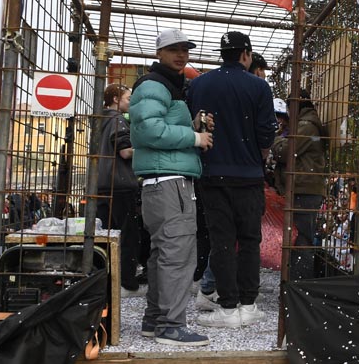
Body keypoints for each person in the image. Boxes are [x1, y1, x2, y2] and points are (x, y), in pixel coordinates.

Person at [130, 29, 213, 346]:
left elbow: (154, 125)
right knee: (177, 256)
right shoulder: (155, 84)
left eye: (185, 49)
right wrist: (194, 138)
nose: (181, 54)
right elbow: (148, 130)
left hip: (161, 183)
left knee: (162, 254)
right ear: (160, 52)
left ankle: (155, 321)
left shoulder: (164, 85)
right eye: (173, 49)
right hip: (169, 184)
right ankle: (171, 326)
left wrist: (192, 127)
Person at [187, 31, 276, 328]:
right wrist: (258, 153)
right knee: (250, 240)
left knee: (222, 240)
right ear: (246, 55)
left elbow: (194, 124)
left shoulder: (199, 85)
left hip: (212, 173)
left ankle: (226, 307)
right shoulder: (259, 87)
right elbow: (266, 134)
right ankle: (248, 304)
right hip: (249, 175)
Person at [96, 83, 142, 297]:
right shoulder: (118, 120)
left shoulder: (100, 120)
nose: (130, 103)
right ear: (116, 99)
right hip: (121, 184)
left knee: (107, 235)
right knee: (128, 236)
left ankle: (105, 281)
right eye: (128, 99)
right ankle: (127, 283)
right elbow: (125, 152)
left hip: (102, 184)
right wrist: (146, 148)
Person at [275, 91, 328, 280]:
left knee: (302, 240)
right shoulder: (305, 124)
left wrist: (277, 139)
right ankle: (295, 282)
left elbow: (285, 151)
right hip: (304, 187)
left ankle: (299, 285)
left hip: (305, 188)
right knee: (299, 238)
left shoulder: (306, 126)